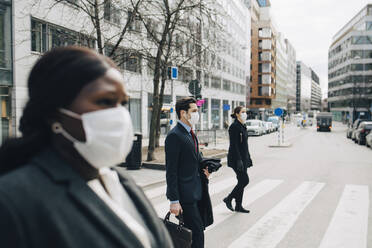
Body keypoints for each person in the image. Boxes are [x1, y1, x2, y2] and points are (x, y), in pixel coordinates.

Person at [0, 46, 173, 248]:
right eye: (105, 101)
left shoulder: (117, 178)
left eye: (123, 103)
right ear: (54, 113)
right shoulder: (13, 201)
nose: (119, 115)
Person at [165, 97, 211, 248]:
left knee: (194, 233)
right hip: (184, 197)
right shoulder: (175, 136)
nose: (198, 114)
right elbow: (171, 171)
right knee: (197, 234)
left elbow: (195, 159)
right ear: (183, 113)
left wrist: (205, 169)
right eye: (194, 111)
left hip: (196, 192)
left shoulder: (191, 133)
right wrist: (174, 200)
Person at [223, 106, 253, 213]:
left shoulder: (243, 126)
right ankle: (229, 198)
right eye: (243, 112)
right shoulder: (234, 127)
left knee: (241, 181)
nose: (245, 113)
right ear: (237, 114)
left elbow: (245, 145)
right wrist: (239, 160)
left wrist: (248, 158)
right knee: (245, 180)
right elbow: (234, 145)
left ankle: (238, 206)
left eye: (245, 112)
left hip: (243, 158)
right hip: (236, 159)